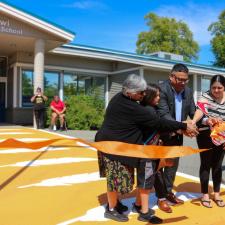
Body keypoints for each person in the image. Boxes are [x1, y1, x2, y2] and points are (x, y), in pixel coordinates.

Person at [95, 74, 197, 223]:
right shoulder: (132, 107)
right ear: (130, 92)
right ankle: (111, 209)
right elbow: (159, 123)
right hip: (112, 146)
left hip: (119, 147)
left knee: (120, 179)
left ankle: (116, 204)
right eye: (141, 92)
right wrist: (183, 125)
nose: (143, 95)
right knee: (114, 180)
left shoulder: (122, 97)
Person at [154, 63, 196, 213]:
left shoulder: (188, 91)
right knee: (159, 167)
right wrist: (184, 128)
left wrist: (200, 123)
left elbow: (193, 111)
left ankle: (168, 192)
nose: (183, 83)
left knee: (172, 166)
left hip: (178, 136)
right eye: (180, 79)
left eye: (186, 80)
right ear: (171, 76)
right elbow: (163, 115)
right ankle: (161, 198)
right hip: (161, 135)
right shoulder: (162, 89)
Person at [192, 75, 225, 208]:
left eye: (219, 88)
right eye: (213, 88)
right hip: (205, 134)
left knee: (218, 165)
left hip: (222, 135)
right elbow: (200, 111)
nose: (216, 90)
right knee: (205, 163)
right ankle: (205, 194)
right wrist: (194, 122)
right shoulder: (205, 97)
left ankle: (216, 193)